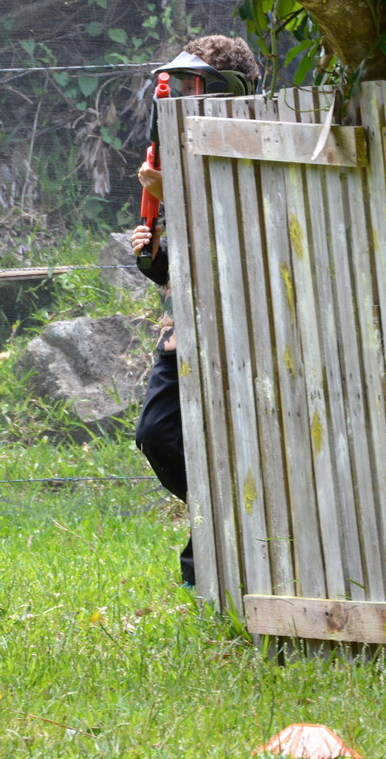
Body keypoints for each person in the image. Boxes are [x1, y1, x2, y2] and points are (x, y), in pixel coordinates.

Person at [130, 34, 260, 588]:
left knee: (242, 444)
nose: (178, 98)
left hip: (244, 329)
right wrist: (153, 255)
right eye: (177, 88)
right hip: (187, 324)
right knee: (158, 435)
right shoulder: (174, 155)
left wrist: (176, 196)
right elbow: (181, 267)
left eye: (192, 88)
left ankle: (205, 558)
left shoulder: (254, 146)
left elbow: (239, 239)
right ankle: (222, 529)